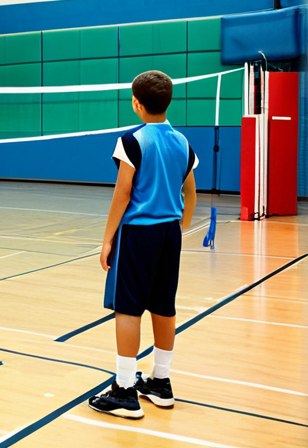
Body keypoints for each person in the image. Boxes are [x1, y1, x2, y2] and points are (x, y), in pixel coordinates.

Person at [88, 70, 198, 418]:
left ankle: (124, 389)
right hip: (169, 233)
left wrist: (107, 240)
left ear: (136, 103)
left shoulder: (132, 141)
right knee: (164, 305)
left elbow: (123, 193)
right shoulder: (182, 142)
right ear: (168, 102)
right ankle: (161, 382)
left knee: (128, 307)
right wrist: (179, 228)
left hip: (137, 234)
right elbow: (190, 193)